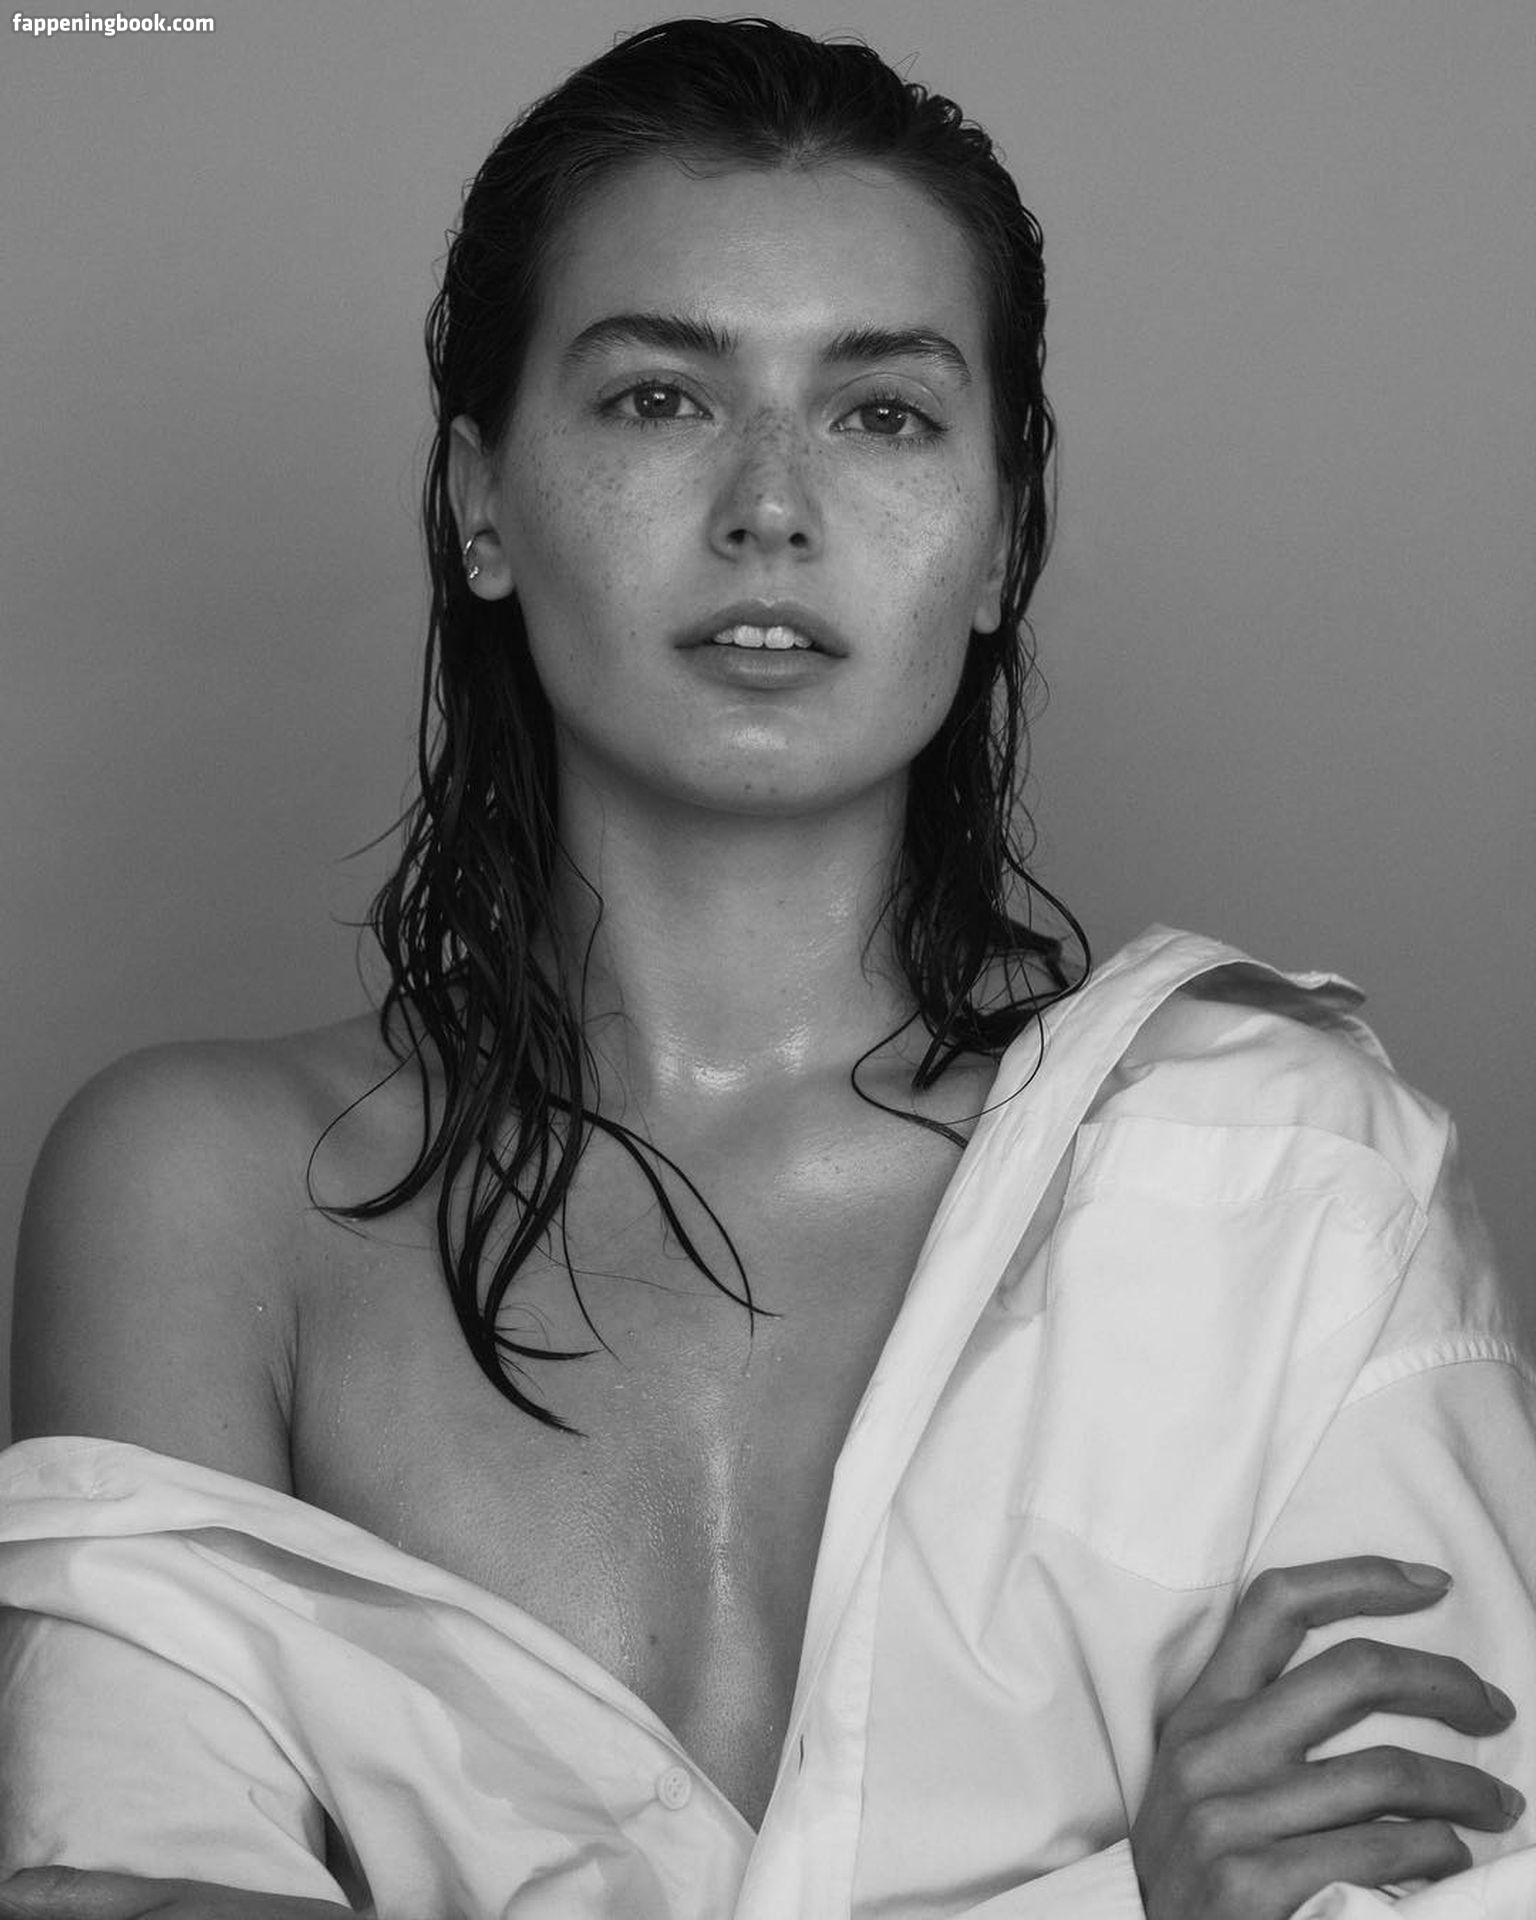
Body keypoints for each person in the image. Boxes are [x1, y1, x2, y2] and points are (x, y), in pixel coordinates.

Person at [2, 16, 1533, 1920]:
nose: (771, 507)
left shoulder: (1284, 1178)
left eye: (882, 412)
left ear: (1002, 537)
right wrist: (1118, 1904)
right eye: (660, 399)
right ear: (482, 502)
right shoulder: (202, 1195)